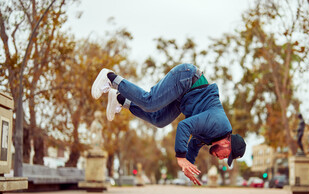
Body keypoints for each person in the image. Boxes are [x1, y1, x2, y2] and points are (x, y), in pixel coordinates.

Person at [91, 63, 246, 185]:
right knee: (149, 101)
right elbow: (184, 126)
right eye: (226, 155)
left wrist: (188, 166)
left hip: (185, 96)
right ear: (227, 142)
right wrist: (181, 157)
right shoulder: (217, 124)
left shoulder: (214, 136)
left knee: (159, 120)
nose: (221, 158)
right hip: (186, 78)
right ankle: (111, 77)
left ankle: (120, 99)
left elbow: (193, 145)